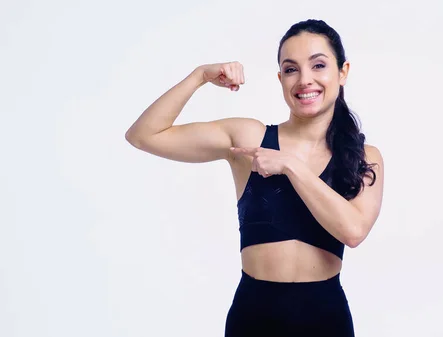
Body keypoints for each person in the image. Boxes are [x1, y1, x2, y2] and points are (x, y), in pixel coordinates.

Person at [125, 19, 384, 337]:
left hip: (325, 319)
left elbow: (353, 232)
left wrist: (290, 165)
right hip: (253, 317)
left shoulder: (364, 156)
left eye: (318, 65)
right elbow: (144, 135)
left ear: (342, 72)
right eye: (291, 70)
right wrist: (200, 77)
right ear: (280, 78)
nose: (305, 80)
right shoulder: (250, 139)